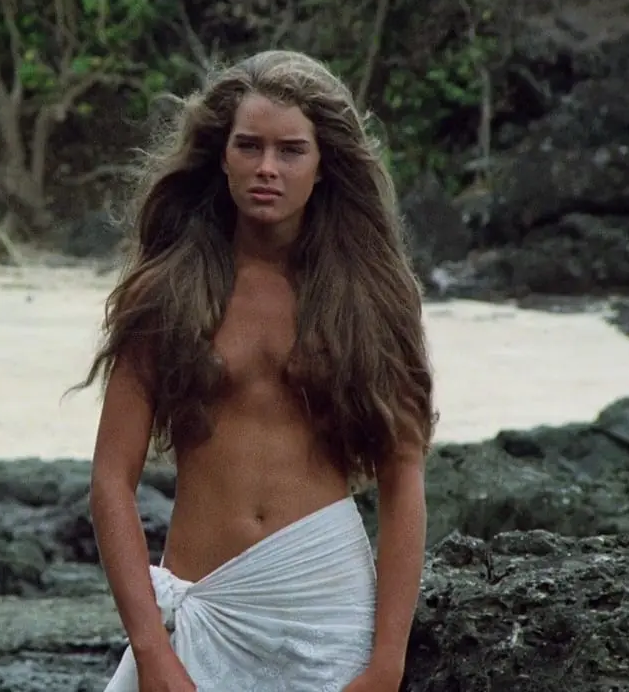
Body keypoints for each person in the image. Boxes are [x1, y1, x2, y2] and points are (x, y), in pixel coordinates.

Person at [76, 50, 435, 691]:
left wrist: (387, 662)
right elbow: (111, 478)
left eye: (291, 150)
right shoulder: (165, 293)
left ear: (324, 165)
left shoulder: (373, 297)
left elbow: (403, 475)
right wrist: (152, 650)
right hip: (201, 612)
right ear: (222, 154)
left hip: (327, 617)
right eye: (249, 146)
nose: (267, 168)